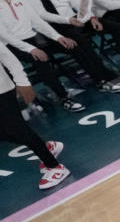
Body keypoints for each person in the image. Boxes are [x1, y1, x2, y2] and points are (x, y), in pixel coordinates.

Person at [0, 0, 120, 112]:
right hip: (10, 45)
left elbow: (37, 21)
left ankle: (100, 81)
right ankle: (64, 98)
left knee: (73, 45)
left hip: (33, 37)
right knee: (41, 60)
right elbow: (4, 35)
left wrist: (58, 37)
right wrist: (30, 49)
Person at [0, 42, 70, 190]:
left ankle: (55, 167)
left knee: (19, 130)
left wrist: (23, 82)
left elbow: (8, 57)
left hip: (2, 91)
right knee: (5, 133)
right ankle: (46, 147)